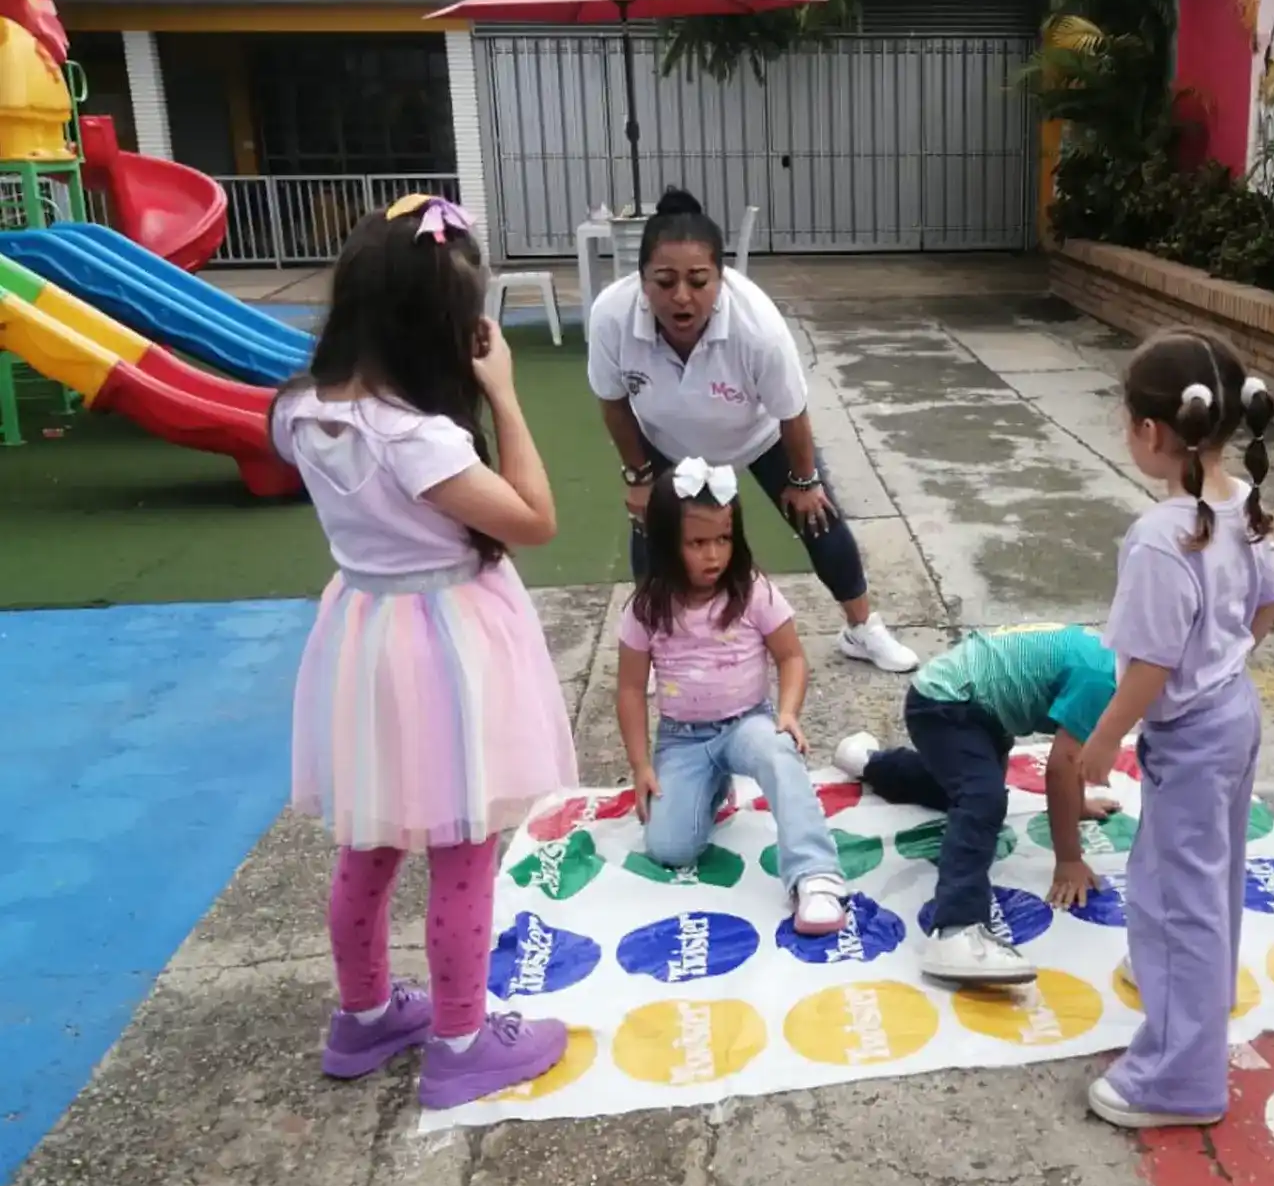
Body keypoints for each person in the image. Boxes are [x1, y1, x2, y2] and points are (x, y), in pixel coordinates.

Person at [277, 195, 574, 1110]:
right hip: (445, 648)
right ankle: (459, 1038)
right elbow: (535, 519)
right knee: (461, 845)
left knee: (369, 839)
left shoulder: (298, 411)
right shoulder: (420, 438)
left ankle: (363, 1015)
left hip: (364, 634)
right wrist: (505, 392)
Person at [1076, 328, 1274, 1130]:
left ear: (1152, 433)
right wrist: (1225, 656)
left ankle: (1178, 1076)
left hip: (1193, 733)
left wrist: (1104, 740)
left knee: (1174, 898)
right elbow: (1267, 604)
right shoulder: (1244, 505)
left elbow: (1152, 665)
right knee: (1210, 884)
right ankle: (1193, 1000)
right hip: (1233, 715)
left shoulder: (1160, 537)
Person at [587, 186, 919, 675]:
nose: (682, 296)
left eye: (699, 281)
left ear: (722, 279)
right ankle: (658, 646)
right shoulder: (611, 317)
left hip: (758, 436)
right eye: (664, 281)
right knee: (650, 531)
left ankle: (862, 627)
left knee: (819, 518)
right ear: (641, 281)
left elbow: (792, 410)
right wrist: (638, 475)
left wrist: (804, 483)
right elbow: (613, 402)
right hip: (664, 441)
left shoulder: (756, 326)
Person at [618, 456, 849, 935]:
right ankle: (712, 787)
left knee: (777, 751)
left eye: (723, 539)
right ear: (664, 544)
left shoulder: (752, 591)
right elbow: (629, 689)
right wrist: (641, 764)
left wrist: (786, 713)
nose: (713, 555)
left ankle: (815, 874)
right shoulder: (645, 610)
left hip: (748, 721)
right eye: (697, 543)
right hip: (682, 738)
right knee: (669, 848)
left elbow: (791, 657)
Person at [832, 624, 1123, 984]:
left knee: (960, 789)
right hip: (947, 704)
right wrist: (1069, 859)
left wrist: (1075, 804)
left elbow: (1075, 748)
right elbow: (1062, 767)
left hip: (978, 710)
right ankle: (956, 930)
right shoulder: (1102, 678)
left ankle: (867, 762)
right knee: (982, 799)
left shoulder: (1115, 661)